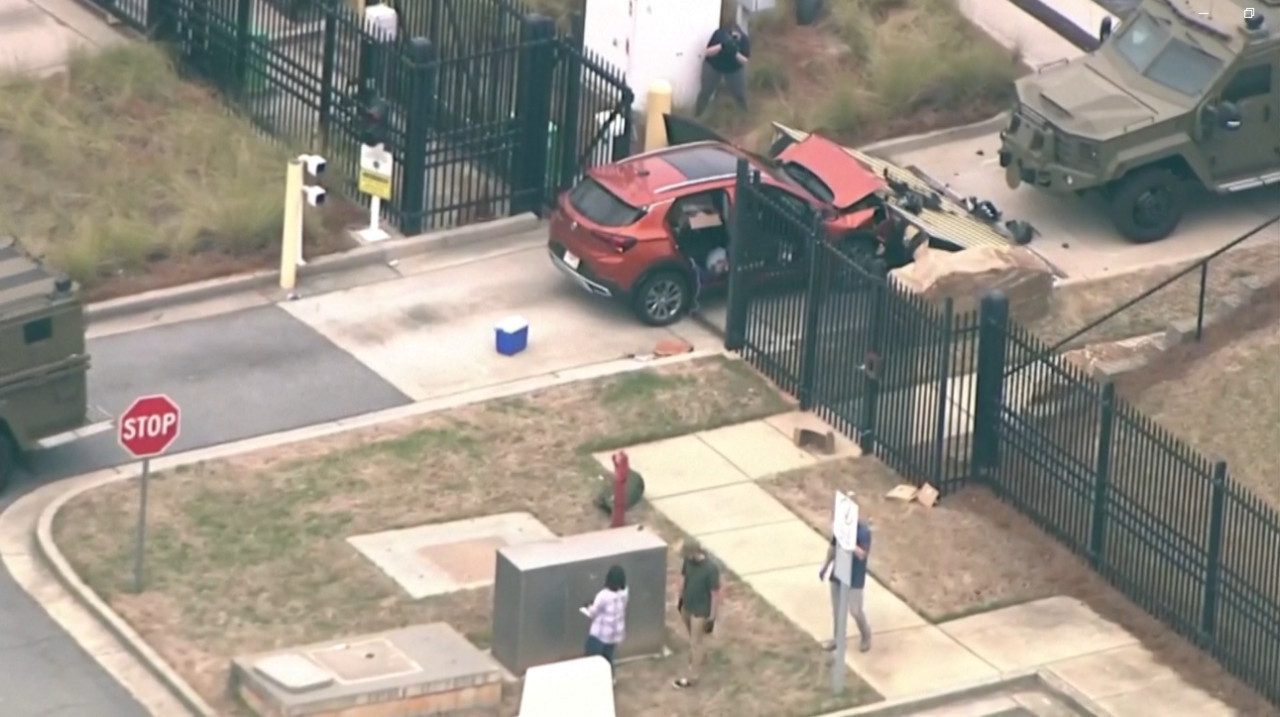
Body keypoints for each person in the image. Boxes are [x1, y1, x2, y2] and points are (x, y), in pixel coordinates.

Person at [819, 507, 873, 653]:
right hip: (839, 572)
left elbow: (862, 555)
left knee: (855, 610)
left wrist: (850, 543)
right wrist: (825, 566)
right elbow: (832, 548)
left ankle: (866, 635)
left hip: (855, 576)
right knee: (837, 610)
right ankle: (838, 639)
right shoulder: (840, 529)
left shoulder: (863, 532)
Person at [674, 539, 721, 689]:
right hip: (687, 605)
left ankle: (691, 677)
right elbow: (683, 579)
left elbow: (714, 594)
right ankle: (700, 656)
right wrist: (680, 599)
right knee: (694, 638)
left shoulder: (710, 568)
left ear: (694, 553)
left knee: (695, 642)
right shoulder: (688, 562)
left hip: (700, 610)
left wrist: (712, 617)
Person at [583, 565, 629, 677]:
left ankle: (592, 679)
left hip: (600, 635)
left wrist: (587, 607)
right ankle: (610, 679)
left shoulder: (603, 595)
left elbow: (593, 612)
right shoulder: (624, 593)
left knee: (591, 657)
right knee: (608, 659)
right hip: (614, 635)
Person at [694, 22, 750, 116]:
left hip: (734, 69)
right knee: (705, 92)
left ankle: (744, 116)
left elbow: (744, 60)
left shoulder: (744, 39)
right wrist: (722, 46)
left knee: (739, 94)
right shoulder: (719, 34)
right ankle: (698, 115)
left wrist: (734, 51)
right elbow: (708, 52)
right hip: (713, 66)